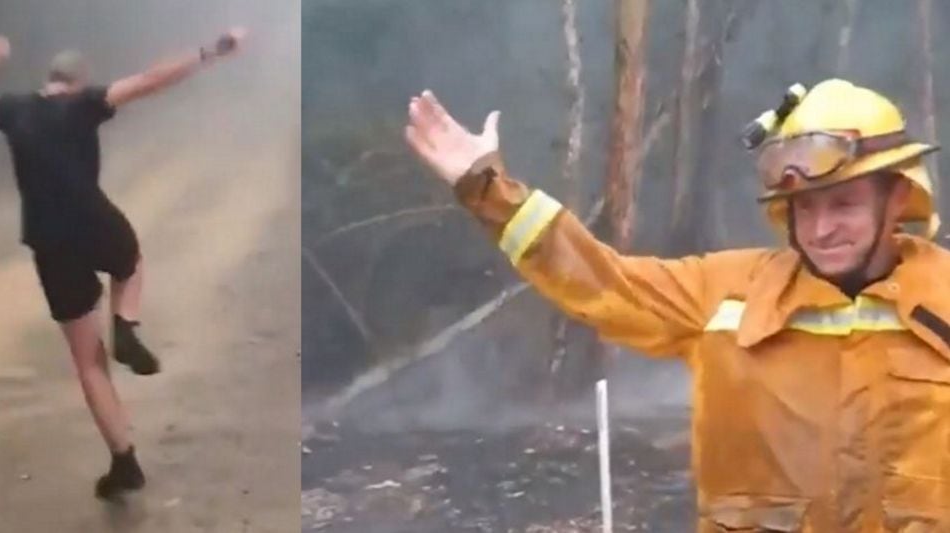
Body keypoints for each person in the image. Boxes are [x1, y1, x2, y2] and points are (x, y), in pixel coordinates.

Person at [405, 79, 950, 530]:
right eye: (804, 208)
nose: (821, 228)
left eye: (844, 204)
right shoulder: (727, 294)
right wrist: (488, 189)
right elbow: (602, 282)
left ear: (897, 196)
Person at [0, 29, 246, 500]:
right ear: (78, 79)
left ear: (50, 79)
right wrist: (210, 51)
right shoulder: (85, 103)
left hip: (48, 240)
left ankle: (124, 461)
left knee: (88, 363)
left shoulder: (14, 110)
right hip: (93, 220)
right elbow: (152, 80)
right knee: (129, 263)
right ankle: (126, 324)